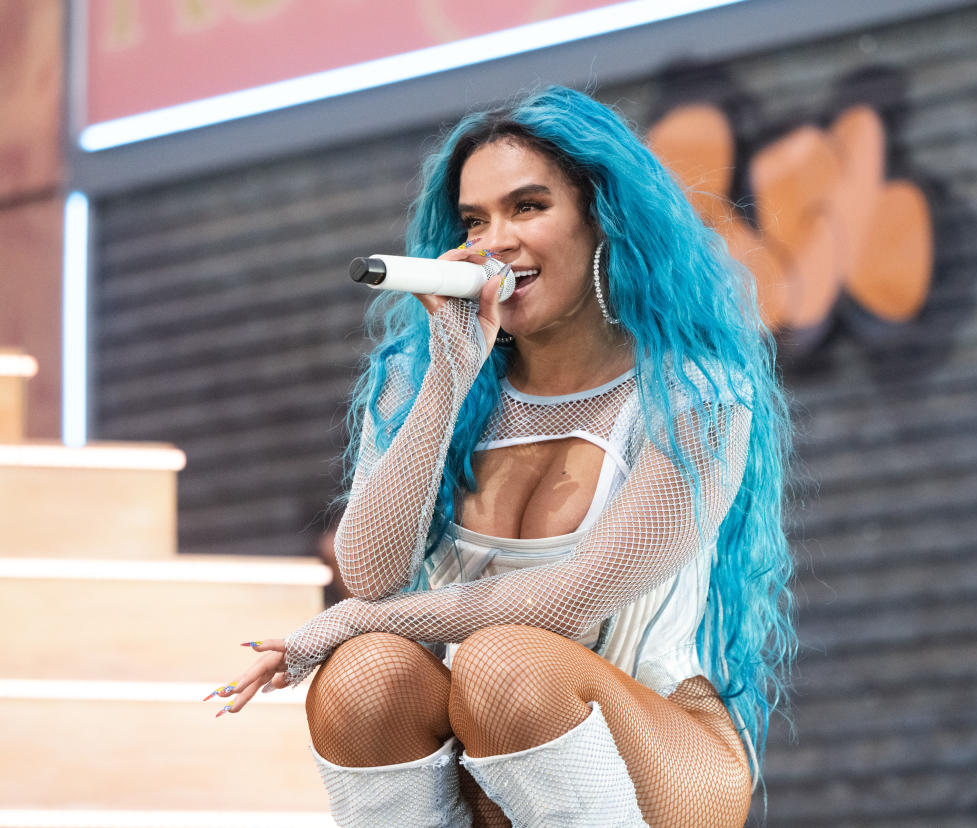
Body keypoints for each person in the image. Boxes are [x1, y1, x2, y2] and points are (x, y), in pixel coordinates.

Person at [214, 85, 795, 827]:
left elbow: (575, 598)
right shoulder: (416, 375)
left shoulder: (697, 393)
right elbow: (370, 573)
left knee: (503, 664)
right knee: (364, 679)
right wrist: (448, 378)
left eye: (527, 207)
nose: (494, 242)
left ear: (602, 220)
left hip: (658, 737)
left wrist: (342, 623)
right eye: (472, 220)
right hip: (466, 724)